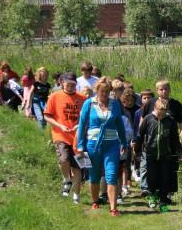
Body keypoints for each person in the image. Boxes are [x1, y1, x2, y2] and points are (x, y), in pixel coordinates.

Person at [77, 78, 128, 217]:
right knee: (95, 175)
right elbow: (82, 125)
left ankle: (113, 208)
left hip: (112, 144)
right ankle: (95, 201)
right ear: (97, 91)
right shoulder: (89, 103)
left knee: (111, 174)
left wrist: (124, 142)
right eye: (102, 91)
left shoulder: (115, 104)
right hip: (93, 144)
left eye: (107, 91)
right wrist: (80, 145)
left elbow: (119, 125)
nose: (104, 94)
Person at [138, 79, 182, 202]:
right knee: (151, 173)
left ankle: (165, 196)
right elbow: (143, 122)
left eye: (166, 89)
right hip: (151, 146)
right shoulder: (150, 103)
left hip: (169, 147)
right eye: (161, 89)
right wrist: (140, 142)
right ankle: (151, 193)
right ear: (157, 91)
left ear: (169, 89)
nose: (164, 91)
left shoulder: (176, 105)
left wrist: (179, 144)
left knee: (168, 173)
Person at [44, 72, 86, 203]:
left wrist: (79, 126)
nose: (71, 87)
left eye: (73, 84)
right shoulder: (55, 96)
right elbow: (47, 115)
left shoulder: (83, 99)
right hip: (60, 134)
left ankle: (76, 196)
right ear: (62, 83)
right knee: (63, 159)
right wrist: (60, 126)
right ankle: (67, 179)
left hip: (77, 137)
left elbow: (87, 118)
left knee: (78, 167)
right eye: (68, 84)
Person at [136, 99, 181, 211]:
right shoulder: (148, 119)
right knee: (151, 177)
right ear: (155, 109)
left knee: (165, 177)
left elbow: (175, 139)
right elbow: (140, 135)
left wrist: (180, 152)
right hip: (151, 153)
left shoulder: (170, 121)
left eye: (164, 113)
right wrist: (137, 151)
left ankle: (163, 200)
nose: (161, 116)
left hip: (166, 154)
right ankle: (152, 197)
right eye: (159, 114)